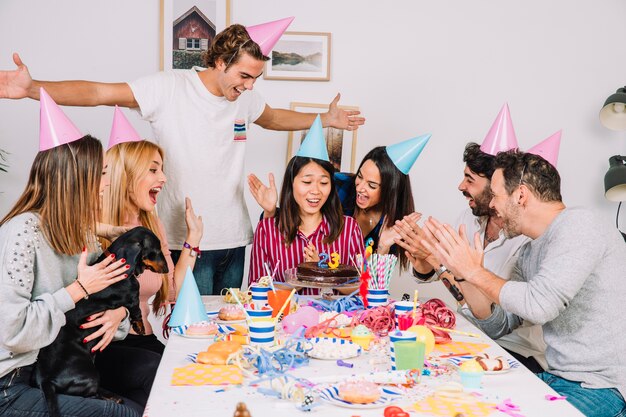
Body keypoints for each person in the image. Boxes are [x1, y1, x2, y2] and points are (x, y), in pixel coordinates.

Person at [0, 21, 365, 296]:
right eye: (243, 76)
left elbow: (272, 118)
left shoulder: (246, 99)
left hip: (234, 238)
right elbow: (99, 92)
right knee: (193, 329)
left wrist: (325, 119)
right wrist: (33, 90)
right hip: (186, 237)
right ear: (220, 61)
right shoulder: (169, 88)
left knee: (231, 328)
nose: (250, 86)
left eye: (256, 77)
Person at [422, 150, 626, 417]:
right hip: (556, 378)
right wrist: (463, 274)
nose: (491, 205)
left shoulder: (579, 225)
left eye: (495, 195)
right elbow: (499, 324)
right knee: (454, 401)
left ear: (520, 195)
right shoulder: (531, 251)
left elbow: (540, 305)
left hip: (601, 388)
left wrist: (476, 272)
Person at [0, 90, 141, 416]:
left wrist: (119, 314)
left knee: (150, 391)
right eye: (102, 173)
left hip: (55, 365)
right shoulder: (22, 233)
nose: (107, 183)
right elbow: (13, 334)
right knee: (125, 414)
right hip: (12, 381)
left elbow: (109, 302)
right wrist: (78, 290)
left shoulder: (82, 233)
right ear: (77, 179)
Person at [391, 105, 546, 372]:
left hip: (514, 352)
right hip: (469, 337)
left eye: (470, 179)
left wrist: (439, 261)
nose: (461, 186)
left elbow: (496, 321)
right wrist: (424, 257)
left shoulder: (529, 240)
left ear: (497, 185)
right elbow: (443, 276)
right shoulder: (468, 218)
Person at [94, 112, 204, 407]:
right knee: (161, 377)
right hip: (103, 349)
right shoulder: (91, 225)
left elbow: (171, 292)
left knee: (192, 373)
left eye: (162, 169)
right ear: (126, 176)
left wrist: (193, 241)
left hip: (143, 340)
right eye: (153, 170)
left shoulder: (152, 224)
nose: (163, 178)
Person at [248, 135, 430, 272]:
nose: (360, 188)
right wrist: (270, 212)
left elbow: (365, 283)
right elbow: (297, 209)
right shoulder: (340, 186)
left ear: (389, 192)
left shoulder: (392, 225)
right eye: (360, 176)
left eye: (372, 185)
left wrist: (382, 246)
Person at [248, 117, 364, 294]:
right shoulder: (267, 230)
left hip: (336, 320)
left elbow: (363, 288)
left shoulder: (348, 228)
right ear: (291, 183)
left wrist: (324, 272)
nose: (316, 191)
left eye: (324, 183)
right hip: (282, 320)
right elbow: (255, 290)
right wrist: (303, 277)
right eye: (307, 181)